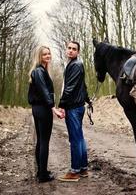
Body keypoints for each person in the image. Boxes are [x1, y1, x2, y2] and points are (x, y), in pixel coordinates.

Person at [28, 46, 63, 183]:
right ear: (39, 56)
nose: (48, 56)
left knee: (41, 141)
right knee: (44, 141)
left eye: (49, 54)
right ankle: (43, 175)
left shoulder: (41, 71)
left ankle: (41, 171)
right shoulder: (39, 72)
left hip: (38, 109)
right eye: (44, 54)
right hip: (42, 109)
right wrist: (52, 108)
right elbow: (43, 91)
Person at [58, 41, 92, 182]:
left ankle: (75, 171)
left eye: (74, 49)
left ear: (78, 52)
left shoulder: (75, 65)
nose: (71, 51)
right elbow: (82, 86)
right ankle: (83, 169)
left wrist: (61, 105)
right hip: (77, 105)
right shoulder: (74, 65)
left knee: (75, 139)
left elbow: (70, 88)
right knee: (79, 138)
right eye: (69, 48)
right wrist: (88, 100)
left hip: (73, 107)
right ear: (66, 50)